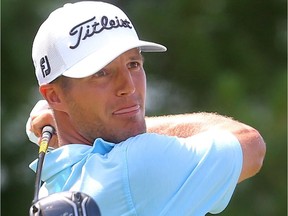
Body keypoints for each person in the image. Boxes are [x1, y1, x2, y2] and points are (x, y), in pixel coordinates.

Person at [27, 1, 266, 215]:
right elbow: (250, 144)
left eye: (133, 64)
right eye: (101, 72)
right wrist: (129, 119)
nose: (128, 87)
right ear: (55, 97)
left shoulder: (52, 186)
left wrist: (69, 122)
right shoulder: (139, 164)